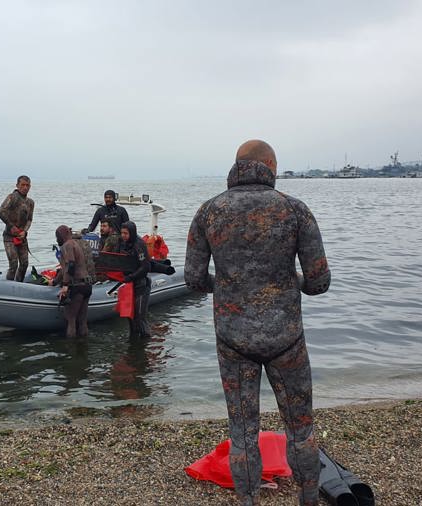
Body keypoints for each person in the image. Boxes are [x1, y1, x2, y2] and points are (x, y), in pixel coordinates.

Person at [184, 139, 330, 506]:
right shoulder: (295, 210)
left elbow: (193, 279)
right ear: (269, 165)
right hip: (287, 340)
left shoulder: (209, 212)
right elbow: (319, 281)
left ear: (237, 166)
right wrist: (286, 283)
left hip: (233, 340)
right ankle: (309, 499)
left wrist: (231, 288)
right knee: (300, 428)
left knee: (242, 432)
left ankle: (248, 502)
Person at [55, 225, 96, 338]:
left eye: (57, 236)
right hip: (87, 285)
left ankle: (71, 351)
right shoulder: (76, 244)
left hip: (77, 286)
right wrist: (55, 281)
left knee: (71, 320)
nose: (57, 239)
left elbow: (70, 266)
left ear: (62, 236)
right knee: (82, 321)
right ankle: (84, 350)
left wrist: (65, 286)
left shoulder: (67, 245)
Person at [0, 175, 34, 281]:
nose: (25, 187)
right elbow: (1, 212)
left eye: (27, 185)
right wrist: (11, 226)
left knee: (24, 264)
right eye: (23, 185)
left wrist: (25, 231)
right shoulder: (12, 197)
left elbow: (29, 219)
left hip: (22, 237)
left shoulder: (30, 202)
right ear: (17, 185)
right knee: (13, 264)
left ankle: (19, 285)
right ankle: (8, 286)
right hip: (9, 237)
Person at [119, 221, 152, 338]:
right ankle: (133, 344)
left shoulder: (139, 245)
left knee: (140, 316)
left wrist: (131, 277)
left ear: (132, 233)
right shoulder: (124, 244)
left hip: (141, 285)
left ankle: (145, 343)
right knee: (130, 317)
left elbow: (145, 266)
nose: (123, 236)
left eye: (126, 233)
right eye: (122, 233)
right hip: (129, 285)